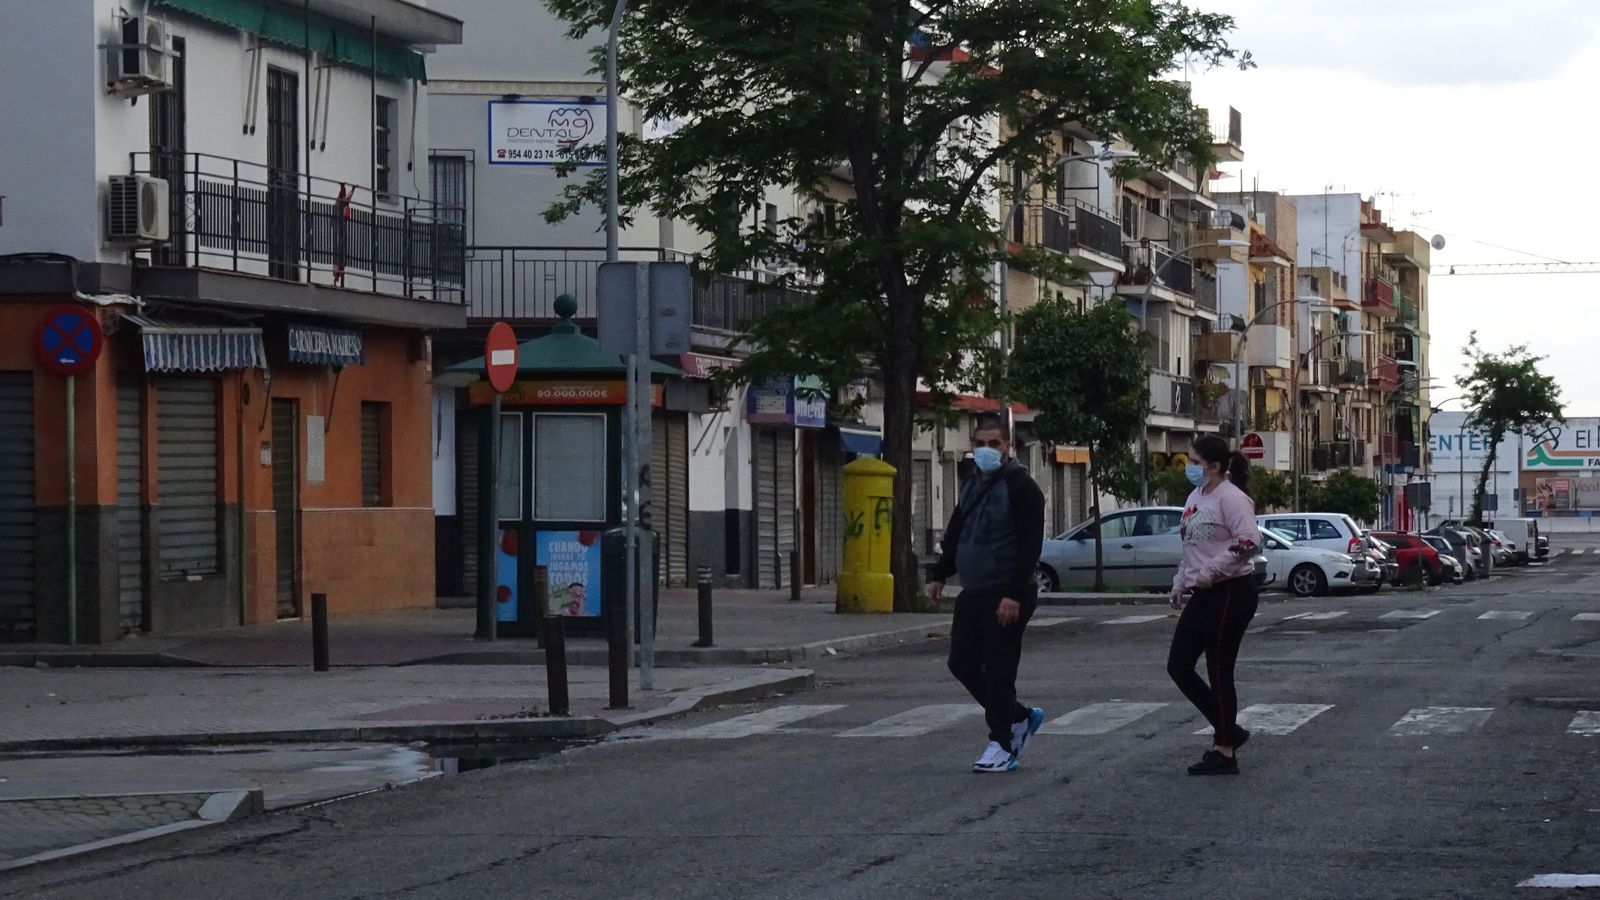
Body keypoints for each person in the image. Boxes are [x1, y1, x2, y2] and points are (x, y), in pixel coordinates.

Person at [928, 415, 1046, 774]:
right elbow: (957, 528)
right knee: (961, 662)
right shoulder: (971, 483)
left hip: (1006, 592)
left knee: (998, 668)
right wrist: (939, 573)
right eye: (980, 443)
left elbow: (1030, 544)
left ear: (1008, 446)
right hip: (973, 590)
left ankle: (1002, 742)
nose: (986, 450)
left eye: (994, 444)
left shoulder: (1023, 488)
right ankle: (1019, 716)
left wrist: (1013, 593)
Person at [1167, 435, 1262, 776]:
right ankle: (1230, 730)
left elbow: (1250, 541)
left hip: (1231, 590)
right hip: (1203, 591)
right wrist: (1181, 582)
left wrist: (1211, 570)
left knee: (1219, 668)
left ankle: (1225, 750)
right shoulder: (1196, 497)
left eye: (1194, 461)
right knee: (1178, 665)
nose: (1188, 467)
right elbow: (1192, 546)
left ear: (1215, 467)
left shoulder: (1232, 498)